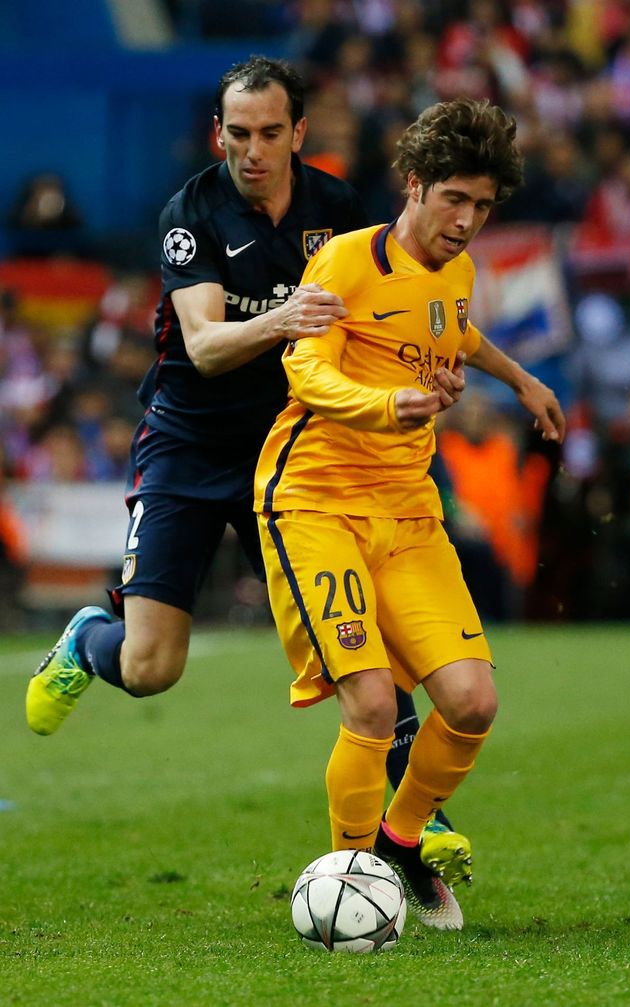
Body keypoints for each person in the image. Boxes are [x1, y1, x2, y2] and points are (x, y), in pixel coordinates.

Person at [24, 57, 471, 884]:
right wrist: (286, 317)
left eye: (271, 133)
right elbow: (202, 345)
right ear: (217, 134)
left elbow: (387, 316)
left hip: (296, 454)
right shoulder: (190, 213)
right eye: (239, 133)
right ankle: (92, 640)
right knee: (153, 667)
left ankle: (415, 813)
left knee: (358, 627)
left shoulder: (336, 210)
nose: (254, 150)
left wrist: (432, 376)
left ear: (298, 133)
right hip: (188, 444)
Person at [253, 97, 565, 930]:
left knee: (471, 702)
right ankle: (351, 887)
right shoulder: (346, 263)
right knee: (369, 705)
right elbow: (306, 374)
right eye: (455, 199)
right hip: (315, 501)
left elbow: (457, 335)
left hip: (408, 511)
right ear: (415, 184)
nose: (467, 222)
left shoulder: (457, 273)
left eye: (484, 206)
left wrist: (520, 379)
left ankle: (399, 844)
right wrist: (382, 402)